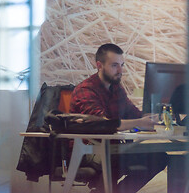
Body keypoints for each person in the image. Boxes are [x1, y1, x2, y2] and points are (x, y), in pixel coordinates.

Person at [70, 43, 168, 193]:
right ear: (99, 65)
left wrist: (155, 116)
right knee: (115, 158)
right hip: (88, 151)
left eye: (122, 65)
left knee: (159, 157)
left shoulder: (116, 88)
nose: (121, 71)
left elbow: (133, 114)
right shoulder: (85, 90)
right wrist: (140, 122)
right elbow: (103, 124)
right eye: (115, 65)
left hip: (112, 148)